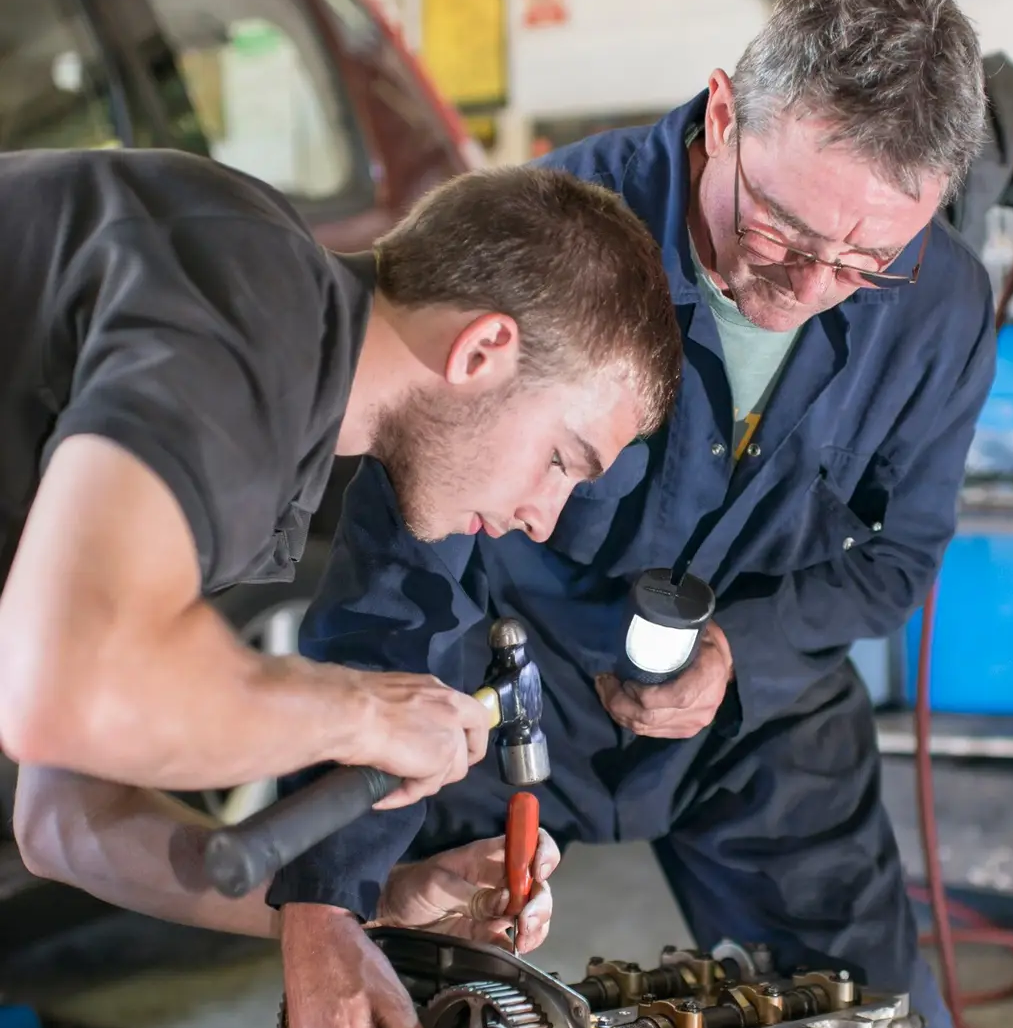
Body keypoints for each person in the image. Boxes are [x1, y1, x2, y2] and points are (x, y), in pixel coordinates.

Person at [239, 0, 1004, 1028]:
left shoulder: (940, 304)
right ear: (721, 113)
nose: (807, 282)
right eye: (782, 229)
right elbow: (400, 593)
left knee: (873, 1027)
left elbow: (902, 555)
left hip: (755, 702)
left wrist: (746, 650)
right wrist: (322, 898)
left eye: (865, 261)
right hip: (501, 676)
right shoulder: (545, 239)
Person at [0, 148, 679, 815]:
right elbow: (63, 694)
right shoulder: (252, 308)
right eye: (561, 459)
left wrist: (371, 905)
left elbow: (65, 816)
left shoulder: (275, 381)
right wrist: (362, 715)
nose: (543, 519)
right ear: (479, 352)